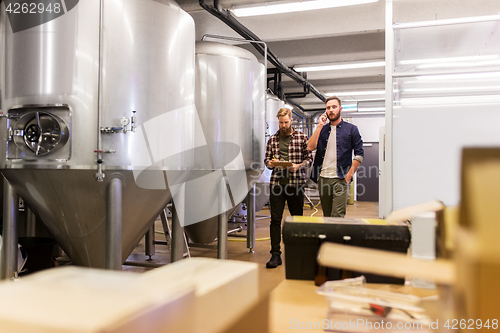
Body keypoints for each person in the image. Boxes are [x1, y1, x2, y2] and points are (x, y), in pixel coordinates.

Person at [264, 108, 313, 269]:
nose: (283, 125)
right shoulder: (272, 140)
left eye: (286, 122)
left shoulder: (302, 137)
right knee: (275, 220)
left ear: (292, 120)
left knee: (297, 219)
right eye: (280, 123)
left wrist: (299, 166)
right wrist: (270, 164)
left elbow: (309, 158)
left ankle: (297, 253)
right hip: (277, 185)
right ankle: (275, 255)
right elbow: (266, 160)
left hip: (296, 184)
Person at [308, 96, 364, 217]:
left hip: (341, 178)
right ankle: (329, 236)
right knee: (327, 216)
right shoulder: (322, 129)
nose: (331, 110)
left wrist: (348, 177)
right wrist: (319, 126)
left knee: (337, 216)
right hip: (323, 178)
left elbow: (359, 154)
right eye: (328, 108)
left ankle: (336, 236)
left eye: (334, 107)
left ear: (340, 109)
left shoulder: (351, 129)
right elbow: (310, 147)